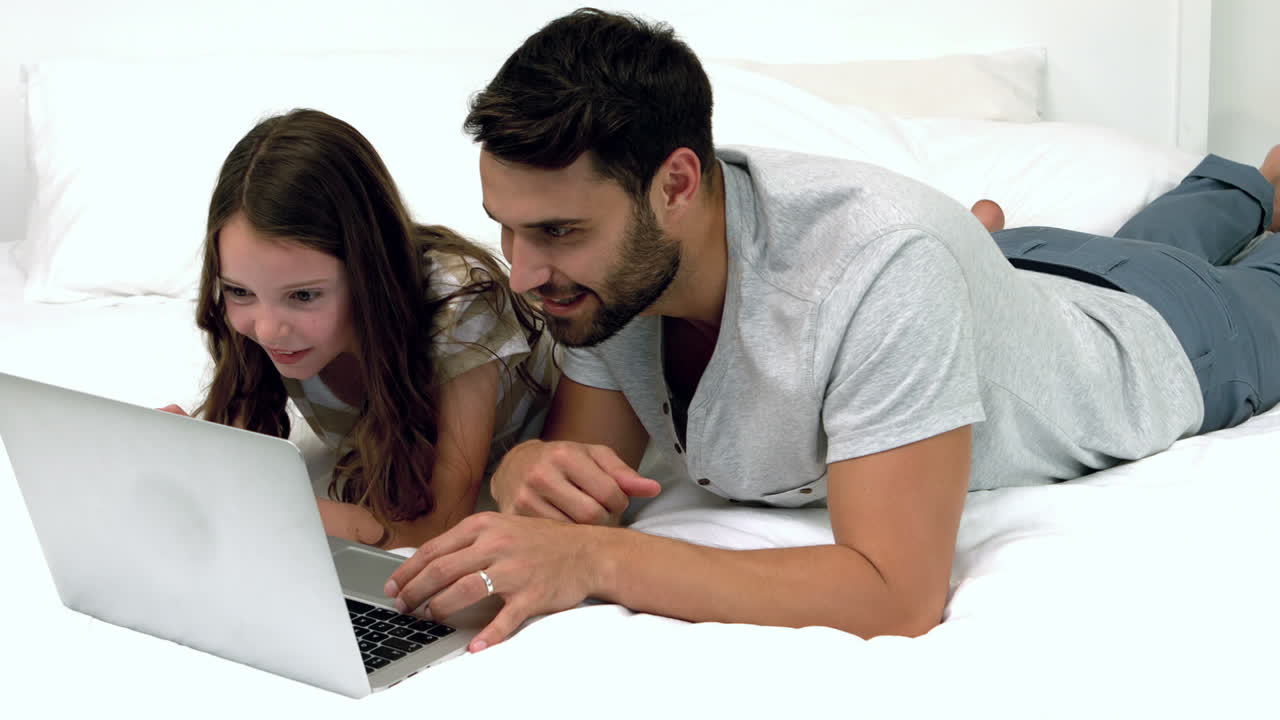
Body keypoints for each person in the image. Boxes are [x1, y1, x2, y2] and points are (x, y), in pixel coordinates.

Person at [382, 8, 1280, 653]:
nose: (523, 273)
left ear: (677, 185)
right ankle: (1244, 184)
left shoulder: (880, 265)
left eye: (557, 232)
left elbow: (896, 595)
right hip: (1019, 269)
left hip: (1173, 339)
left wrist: (595, 560)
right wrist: (527, 468)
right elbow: (585, 480)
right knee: (1177, 221)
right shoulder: (612, 280)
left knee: (1217, 265)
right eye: (507, 229)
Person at [162, 109, 557, 549]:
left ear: (369, 274)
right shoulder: (256, 317)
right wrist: (185, 460)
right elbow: (234, 468)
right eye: (239, 291)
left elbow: (439, 525)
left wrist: (258, 501)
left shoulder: (460, 301)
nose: (268, 330)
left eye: (304, 296)